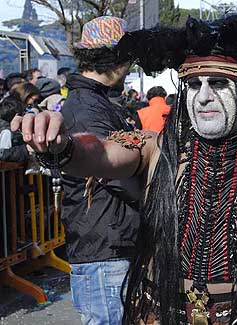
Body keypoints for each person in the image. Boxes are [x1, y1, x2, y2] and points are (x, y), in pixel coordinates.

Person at [13, 15, 237, 325]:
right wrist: (62, 145)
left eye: (218, 83)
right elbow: (100, 153)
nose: (204, 97)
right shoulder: (156, 150)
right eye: (194, 84)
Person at [58, 16, 141, 325]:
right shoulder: (87, 108)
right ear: (116, 59)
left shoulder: (94, 102)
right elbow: (110, 171)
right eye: (128, 58)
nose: (131, 66)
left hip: (110, 241)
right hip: (104, 246)